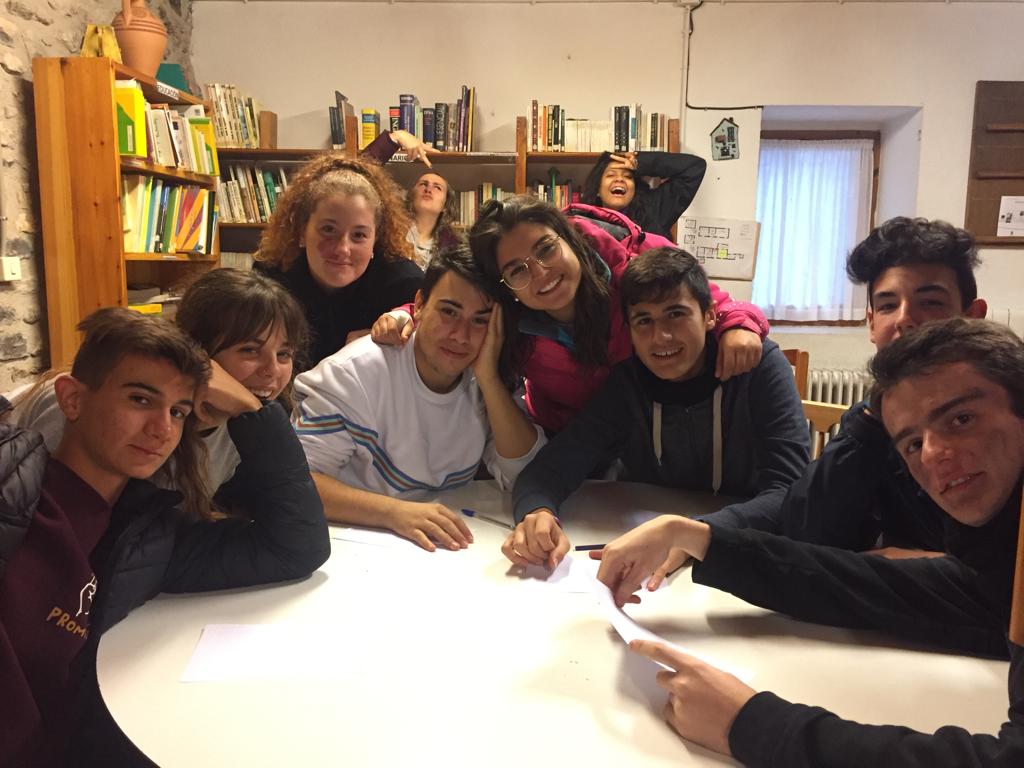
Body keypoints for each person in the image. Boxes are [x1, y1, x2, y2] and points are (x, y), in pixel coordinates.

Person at [595, 318, 1024, 766]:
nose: (933, 453)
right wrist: (697, 537)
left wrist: (750, 725)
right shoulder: (1001, 562)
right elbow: (866, 586)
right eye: (913, 444)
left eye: (961, 419)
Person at [0, 308, 329, 766]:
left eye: (179, 411)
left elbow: (296, 548)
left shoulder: (149, 539)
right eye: (140, 399)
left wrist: (253, 410)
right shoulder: (13, 491)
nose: (163, 429)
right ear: (72, 400)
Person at [504, 247, 808, 570]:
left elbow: (791, 492)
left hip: (743, 551)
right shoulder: (627, 385)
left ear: (709, 315)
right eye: (644, 321)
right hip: (653, 558)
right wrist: (537, 512)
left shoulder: (758, 368)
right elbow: (550, 469)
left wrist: (693, 534)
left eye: (676, 314)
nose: (660, 337)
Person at [376, 197, 769, 435]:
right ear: (505, 284)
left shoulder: (632, 264)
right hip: (568, 438)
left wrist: (738, 325)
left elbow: (705, 300)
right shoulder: (510, 314)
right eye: (517, 270)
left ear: (568, 238)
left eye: (546, 249)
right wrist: (407, 314)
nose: (541, 273)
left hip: (646, 435)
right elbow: (457, 299)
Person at [294, 245, 546, 552]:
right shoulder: (352, 375)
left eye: (480, 320)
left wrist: (490, 381)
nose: (461, 335)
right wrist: (393, 513)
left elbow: (526, 475)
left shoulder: (489, 375)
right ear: (420, 305)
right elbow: (296, 484)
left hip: (445, 546)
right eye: (449, 312)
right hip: (352, 545)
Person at [7, 268, 311, 515]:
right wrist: (252, 408)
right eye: (250, 350)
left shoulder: (241, 424)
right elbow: (37, 520)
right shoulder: (84, 405)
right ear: (199, 350)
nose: (272, 370)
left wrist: (253, 412)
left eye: (284, 354)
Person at [768, 217, 989, 555]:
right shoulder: (872, 420)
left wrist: (917, 564)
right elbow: (804, 535)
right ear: (872, 324)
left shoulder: (1006, 414)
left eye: (930, 302)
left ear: (972, 316)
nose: (904, 319)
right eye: (887, 305)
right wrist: (870, 420)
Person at [254, 152, 424, 368]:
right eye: (328, 229)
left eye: (359, 235)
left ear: (376, 240)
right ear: (302, 231)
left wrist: (387, 348)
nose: (343, 249)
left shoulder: (405, 285)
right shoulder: (270, 279)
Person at [580, 149, 707, 238]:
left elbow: (695, 167)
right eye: (611, 175)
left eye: (628, 176)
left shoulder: (654, 211)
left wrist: (642, 163)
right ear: (597, 189)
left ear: (634, 188)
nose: (619, 179)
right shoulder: (583, 225)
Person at [405, 171, 462, 268]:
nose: (428, 190)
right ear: (412, 196)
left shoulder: (454, 249)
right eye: (423, 184)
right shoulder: (389, 233)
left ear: (445, 206)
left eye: (437, 187)